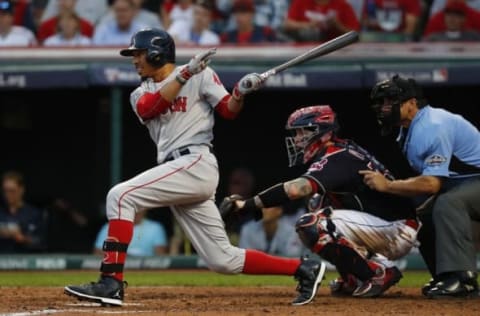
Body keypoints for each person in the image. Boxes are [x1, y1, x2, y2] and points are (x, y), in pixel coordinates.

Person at [63, 28, 325, 307]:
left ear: (156, 53)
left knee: (120, 196)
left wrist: (240, 92)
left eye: (138, 54)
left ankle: (110, 282)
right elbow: (153, 107)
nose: (134, 60)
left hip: (195, 162)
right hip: (178, 169)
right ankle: (303, 268)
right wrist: (185, 73)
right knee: (222, 259)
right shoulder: (141, 92)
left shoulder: (201, 76)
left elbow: (228, 110)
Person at [220, 105, 420, 297]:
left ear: (320, 131)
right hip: (384, 226)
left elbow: (298, 188)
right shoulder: (340, 151)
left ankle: (377, 273)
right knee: (317, 203)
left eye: (301, 133)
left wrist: (248, 204)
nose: (296, 139)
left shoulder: (338, 155)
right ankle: (353, 277)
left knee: (312, 224)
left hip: (397, 229)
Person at [365, 74, 480, 298]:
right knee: (424, 215)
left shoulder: (432, 124)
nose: (383, 107)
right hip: (467, 182)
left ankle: (462, 279)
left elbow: (431, 184)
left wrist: (388, 186)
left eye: (390, 101)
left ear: (411, 104)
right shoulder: (409, 130)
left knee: (448, 203)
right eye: (380, 103)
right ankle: (445, 277)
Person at [0, 171, 46, 253]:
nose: (8, 195)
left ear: (21, 190)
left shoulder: (34, 214)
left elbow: (40, 242)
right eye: (5, 191)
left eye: (12, 191)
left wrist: (22, 238)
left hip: (24, 261)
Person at [94, 210, 168, 256]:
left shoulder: (155, 227)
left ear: (145, 209)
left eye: (139, 208)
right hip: (118, 268)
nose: (136, 212)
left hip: (147, 270)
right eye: (132, 208)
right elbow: (97, 253)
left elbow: (160, 256)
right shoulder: (110, 226)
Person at [239, 205, 304, 258]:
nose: (263, 210)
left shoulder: (291, 232)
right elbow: (244, 257)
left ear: (279, 211)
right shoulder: (247, 229)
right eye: (262, 207)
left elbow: (293, 256)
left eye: (267, 207)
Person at [284, 0, 360, 42]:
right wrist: (309, 25)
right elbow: (288, 24)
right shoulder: (301, 2)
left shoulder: (342, 5)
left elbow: (355, 34)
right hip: (304, 48)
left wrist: (337, 25)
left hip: (335, 49)